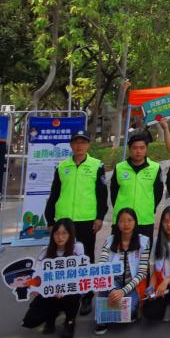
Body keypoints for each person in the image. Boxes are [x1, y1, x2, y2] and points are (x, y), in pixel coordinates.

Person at [44, 129, 108, 316]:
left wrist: (100, 217)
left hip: (87, 221)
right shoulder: (62, 166)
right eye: (76, 142)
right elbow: (54, 194)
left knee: (86, 258)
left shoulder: (97, 165)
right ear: (71, 145)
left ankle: (86, 296)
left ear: (88, 145)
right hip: (64, 222)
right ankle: (63, 296)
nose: (79, 146)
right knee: (62, 259)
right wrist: (50, 219)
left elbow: (102, 195)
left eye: (83, 142)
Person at [20, 219, 83, 338]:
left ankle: (70, 323)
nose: (60, 237)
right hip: (49, 292)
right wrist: (33, 287)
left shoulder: (77, 248)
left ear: (70, 234)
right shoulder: (45, 251)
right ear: (52, 235)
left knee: (73, 295)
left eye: (64, 233)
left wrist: (63, 289)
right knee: (30, 321)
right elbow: (36, 275)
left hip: (69, 291)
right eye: (57, 233)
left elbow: (81, 273)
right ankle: (51, 317)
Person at [95, 208, 150, 335]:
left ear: (135, 222)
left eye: (130, 220)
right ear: (117, 224)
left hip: (132, 285)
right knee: (104, 287)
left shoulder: (143, 242)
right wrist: (112, 289)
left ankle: (113, 312)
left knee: (129, 310)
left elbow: (142, 273)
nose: (126, 224)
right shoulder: (110, 241)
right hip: (113, 282)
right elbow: (101, 267)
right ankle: (102, 319)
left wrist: (122, 291)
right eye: (122, 221)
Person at [110, 133, 163, 238]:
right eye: (135, 148)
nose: (138, 151)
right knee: (119, 247)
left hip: (144, 220)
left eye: (142, 148)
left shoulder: (155, 168)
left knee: (143, 248)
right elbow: (113, 192)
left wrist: (149, 208)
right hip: (122, 220)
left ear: (146, 149)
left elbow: (158, 192)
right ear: (130, 149)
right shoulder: (120, 168)